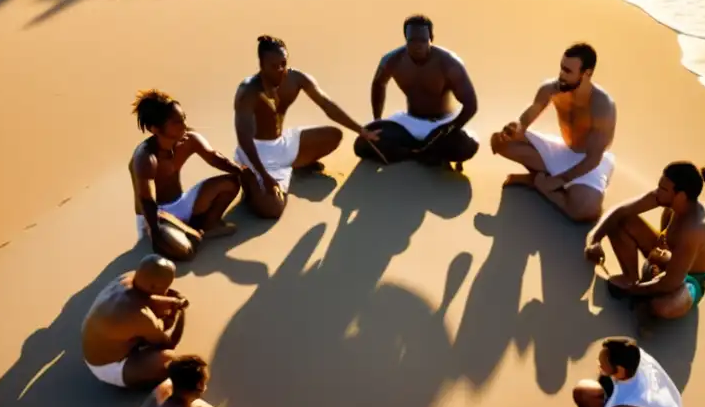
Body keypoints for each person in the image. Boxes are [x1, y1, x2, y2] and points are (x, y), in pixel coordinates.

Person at [233, 35, 379, 220]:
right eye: (273, 66)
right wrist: (264, 175)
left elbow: (327, 105)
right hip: (256, 153)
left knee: (333, 136)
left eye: (283, 63)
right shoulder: (248, 91)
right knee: (273, 211)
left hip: (282, 144)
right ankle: (250, 180)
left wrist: (361, 130)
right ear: (261, 64)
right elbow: (243, 138)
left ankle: (291, 167)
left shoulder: (296, 78)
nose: (280, 70)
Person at [489, 43, 616, 223]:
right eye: (561, 68)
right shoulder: (551, 88)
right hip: (561, 150)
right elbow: (528, 117)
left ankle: (539, 183)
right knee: (499, 142)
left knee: (585, 210)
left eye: (568, 71)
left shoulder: (602, 105)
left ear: (586, 73)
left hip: (588, 162)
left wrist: (559, 180)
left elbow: (594, 158)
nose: (561, 75)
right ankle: (543, 181)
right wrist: (516, 129)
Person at [585, 162, 705, 319]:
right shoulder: (666, 198)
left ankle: (642, 295)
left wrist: (633, 290)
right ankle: (631, 276)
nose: (657, 192)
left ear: (681, 196)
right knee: (621, 221)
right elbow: (619, 211)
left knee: (661, 306)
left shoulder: (694, 229)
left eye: (663, 189)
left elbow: (671, 282)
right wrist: (594, 241)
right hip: (665, 253)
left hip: (689, 278)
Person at [354, 14, 479, 171]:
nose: (417, 45)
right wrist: (377, 120)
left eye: (422, 40)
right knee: (363, 143)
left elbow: (471, 104)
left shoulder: (449, 63)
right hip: (409, 122)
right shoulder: (392, 60)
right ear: (406, 39)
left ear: (431, 38)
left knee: (465, 148)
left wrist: (450, 129)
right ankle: (419, 154)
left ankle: (422, 150)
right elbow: (379, 84)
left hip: (443, 123)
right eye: (412, 40)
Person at [129, 89, 242, 261]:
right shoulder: (145, 157)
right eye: (176, 122)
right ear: (156, 129)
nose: (184, 124)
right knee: (186, 252)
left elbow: (214, 157)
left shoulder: (188, 139)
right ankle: (188, 234)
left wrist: (243, 172)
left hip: (181, 203)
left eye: (183, 118)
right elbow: (148, 201)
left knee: (231, 182)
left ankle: (206, 227)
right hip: (155, 216)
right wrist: (156, 234)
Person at [80, 254, 188, 389]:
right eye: (167, 286)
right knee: (169, 359)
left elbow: (144, 299)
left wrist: (172, 302)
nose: (167, 290)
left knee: (154, 315)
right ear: (154, 287)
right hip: (107, 367)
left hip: (94, 347)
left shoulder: (124, 280)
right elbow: (168, 343)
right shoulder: (141, 316)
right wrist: (178, 313)